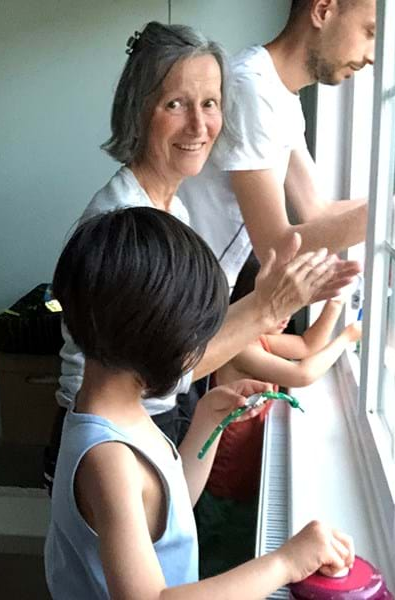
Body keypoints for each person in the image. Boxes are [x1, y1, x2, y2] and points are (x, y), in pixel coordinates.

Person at [53, 21, 359, 452]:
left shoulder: (174, 209)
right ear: (137, 111)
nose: (199, 126)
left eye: (210, 104)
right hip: (109, 437)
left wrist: (268, 307)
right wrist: (265, 306)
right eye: (175, 104)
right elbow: (167, 368)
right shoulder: (128, 222)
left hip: (147, 419)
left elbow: (187, 343)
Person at [45, 206, 355, 599]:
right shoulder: (108, 461)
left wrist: (207, 419)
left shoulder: (113, 413)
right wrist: (284, 562)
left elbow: (168, 510)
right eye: (197, 340)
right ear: (159, 342)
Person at [178, 0, 377, 288]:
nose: (371, 56)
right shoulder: (251, 89)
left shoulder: (280, 94)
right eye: (369, 32)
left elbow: (317, 209)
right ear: (323, 11)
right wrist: (378, 217)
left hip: (205, 288)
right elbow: (274, 247)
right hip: (181, 294)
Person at [196, 296, 361, 577]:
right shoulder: (241, 346)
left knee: (240, 537)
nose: (286, 317)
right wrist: (346, 337)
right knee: (221, 550)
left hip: (246, 466)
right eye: (277, 307)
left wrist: (335, 303)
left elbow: (308, 345)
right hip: (226, 474)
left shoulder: (259, 337)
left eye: (289, 309)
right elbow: (302, 372)